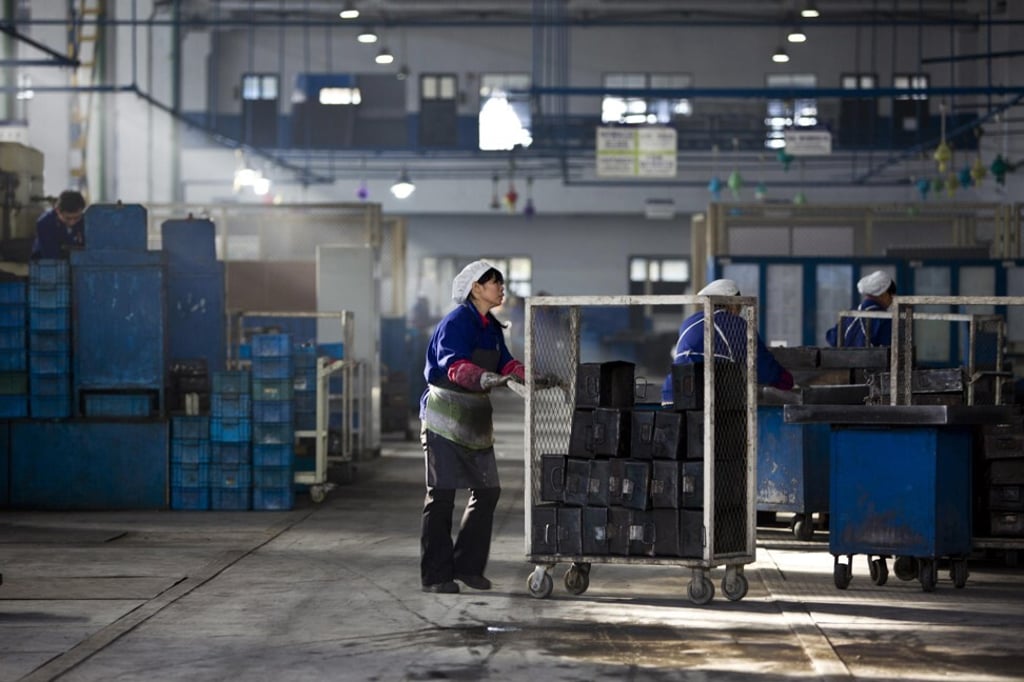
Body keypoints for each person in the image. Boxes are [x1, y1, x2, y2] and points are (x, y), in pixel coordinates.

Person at [418, 260, 525, 594]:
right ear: (476, 288)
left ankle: (467, 567)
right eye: (495, 282)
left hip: (475, 418)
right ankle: (436, 576)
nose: (501, 288)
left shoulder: (491, 326)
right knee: (442, 497)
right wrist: (479, 376)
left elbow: (504, 360)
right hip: (444, 419)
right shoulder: (456, 322)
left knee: (488, 491)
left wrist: (527, 373)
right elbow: (453, 364)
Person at [660, 278, 794, 404]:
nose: (739, 310)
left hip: (672, 393)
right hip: (701, 397)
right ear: (732, 304)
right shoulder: (735, 324)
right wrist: (786, 381)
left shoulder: (690, 321)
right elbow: (762, 366)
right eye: (739, 305)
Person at [825, 270, 896, 348]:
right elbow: (889, 348)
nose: (892, 300)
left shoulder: (849, 314)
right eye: (891, 296)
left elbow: (832, 338)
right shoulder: (884, 318)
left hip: (843, 359)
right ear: (884, 294)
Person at [31, 190, 86, 260]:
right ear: (57, 211)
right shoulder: (45, 223)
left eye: (76, 218)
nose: (72, 222)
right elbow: (50, 256)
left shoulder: (86, 221)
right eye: (67, 218)